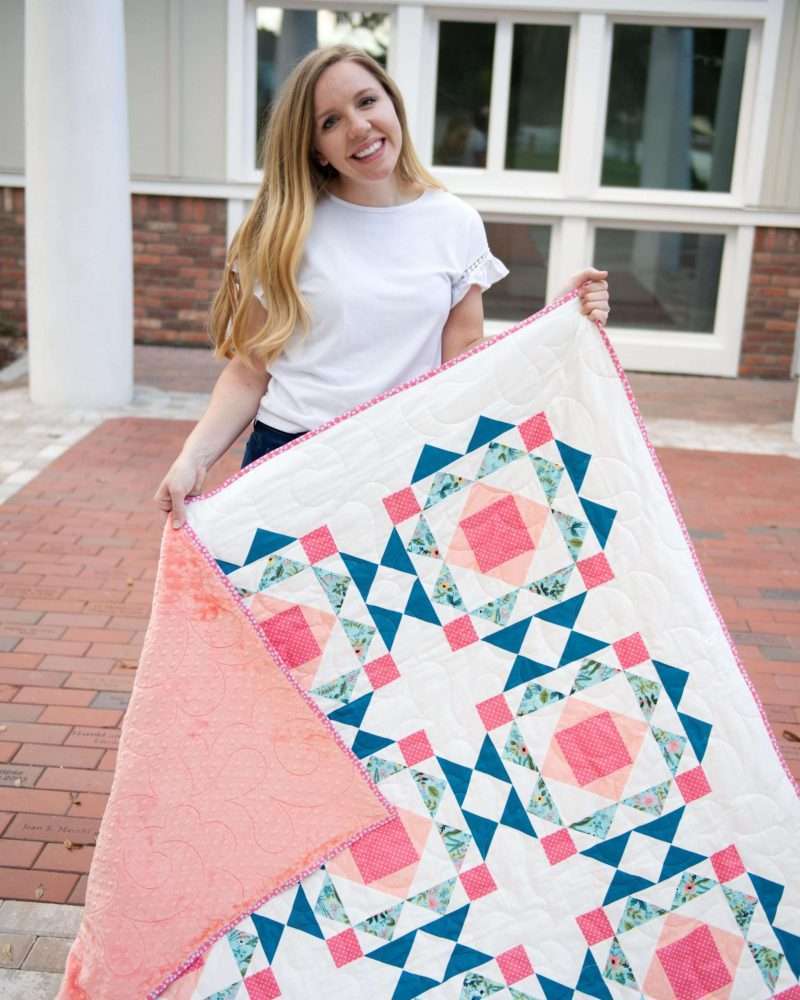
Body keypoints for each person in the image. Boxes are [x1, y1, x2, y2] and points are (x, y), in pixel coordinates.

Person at [154, 44, 610, 528]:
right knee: (268, 608)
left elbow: (466, 357)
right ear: (314, 148)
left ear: (393, 104)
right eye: (330, 121)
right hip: (292, 460)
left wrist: (558, 318)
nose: (358, 126)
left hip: (405, 462)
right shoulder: (285, 230)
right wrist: (192, 459)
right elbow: (249, 373)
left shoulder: (453, 223)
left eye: (367, 102)